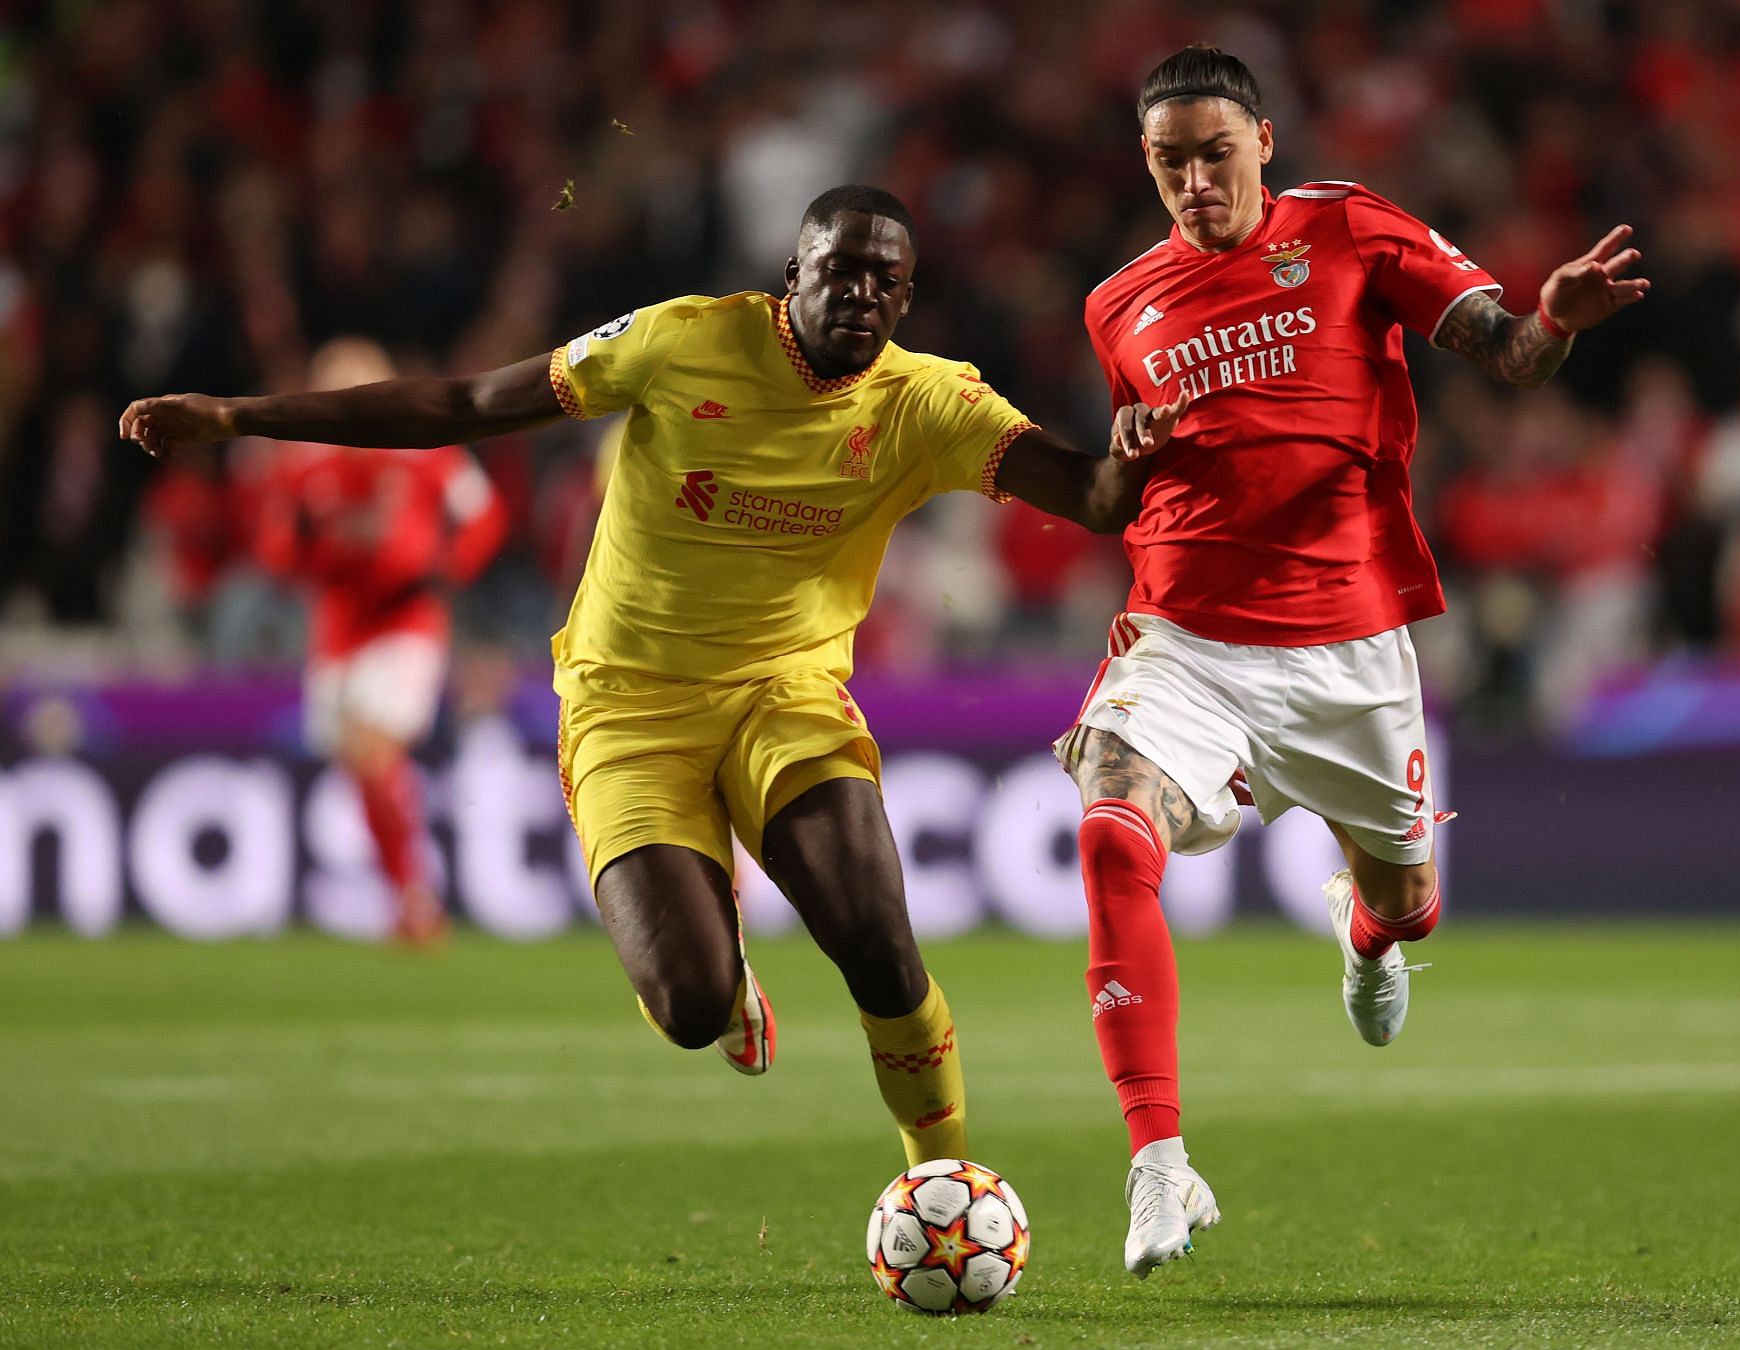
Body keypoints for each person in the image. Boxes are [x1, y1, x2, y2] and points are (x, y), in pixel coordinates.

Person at [121, 185, 1186, 1171]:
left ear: (907, 297)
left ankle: (945, 1173)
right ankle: (721, 980)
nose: (861, 296)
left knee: (876, 940)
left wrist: (1143, 439)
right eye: (840, 272)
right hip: (627, 707)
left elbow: (1093, 496)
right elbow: (467, 404)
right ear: (793, 274)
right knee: (686, 1000)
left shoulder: (930, 404)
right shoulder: (679, 340)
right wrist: (240, 417)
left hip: (787, 698)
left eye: (885, 281)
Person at [1055, 47, 1650, 1276]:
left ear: (1266, 141)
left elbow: (1504, 350)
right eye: (1170, 161)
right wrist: (1125, 447)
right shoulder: (1121, 305)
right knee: (1113, 824)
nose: (1195, 180)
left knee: (1408, 896)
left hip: (1349, 648)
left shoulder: (1349, 231)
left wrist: (1553, 318)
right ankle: (1159, 1160)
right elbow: (1117, 494)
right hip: (1188, 635)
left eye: (1217, 152)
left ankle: (1370, 935)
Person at [253, 338, 507, 945]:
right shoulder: (301, 464)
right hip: (338, 626)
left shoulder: (427, 450)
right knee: (357, 764)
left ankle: (415, 901)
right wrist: (308, 549)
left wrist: (447, 565)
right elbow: (275, 549)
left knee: (372, 749)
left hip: (405, 620)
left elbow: (483, 516)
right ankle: (404, 894)